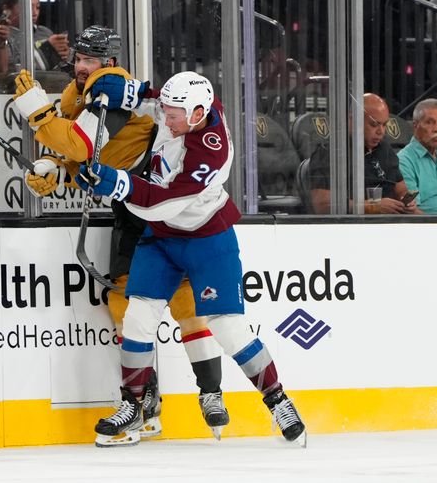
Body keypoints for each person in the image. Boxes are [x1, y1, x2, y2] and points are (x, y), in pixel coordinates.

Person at [14, 26, 229, 445]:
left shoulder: (109, 90)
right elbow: (98, 160)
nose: (80, 67)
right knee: (124, 303)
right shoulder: (86, 95)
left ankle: (210, 393)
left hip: (163, 205)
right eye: (78, 58)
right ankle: (144, 404)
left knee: (185, 303)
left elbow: (79, 145)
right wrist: (58, 173)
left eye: (90, 60)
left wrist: (37, 112)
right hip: (132, 207)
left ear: (108, 63)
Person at [75, 71, 306, 447]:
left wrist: (116, 182)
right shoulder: (187, 107)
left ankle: (277, 399)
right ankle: (134, 404)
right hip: (164, 238)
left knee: (228, 328)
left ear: (198, 114)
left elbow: (161, 203)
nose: (166, 120)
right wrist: (133, 92)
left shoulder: (210, 151)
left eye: (173, 115)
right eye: (166, 111)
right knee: (137, 316)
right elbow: (156, 102)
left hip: (206, 238)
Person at [309, 93, 420, 214]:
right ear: (353, 121)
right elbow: (321, 205)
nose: (381, 132)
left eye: (384, 125)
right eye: (374, 124)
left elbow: (401, 189)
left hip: (392, 221)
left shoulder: (385, 149)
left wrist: (407, 201)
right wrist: (373, 206)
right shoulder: (330, 153)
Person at [0, 0, 70, 72]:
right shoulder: (2, 36)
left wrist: (65, 57)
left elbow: (60, 71)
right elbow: (11, 72)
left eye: (38, 7)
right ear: (6, 9)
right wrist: (48, 50)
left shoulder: (45, 32)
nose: (35, 12)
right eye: (28, 7)